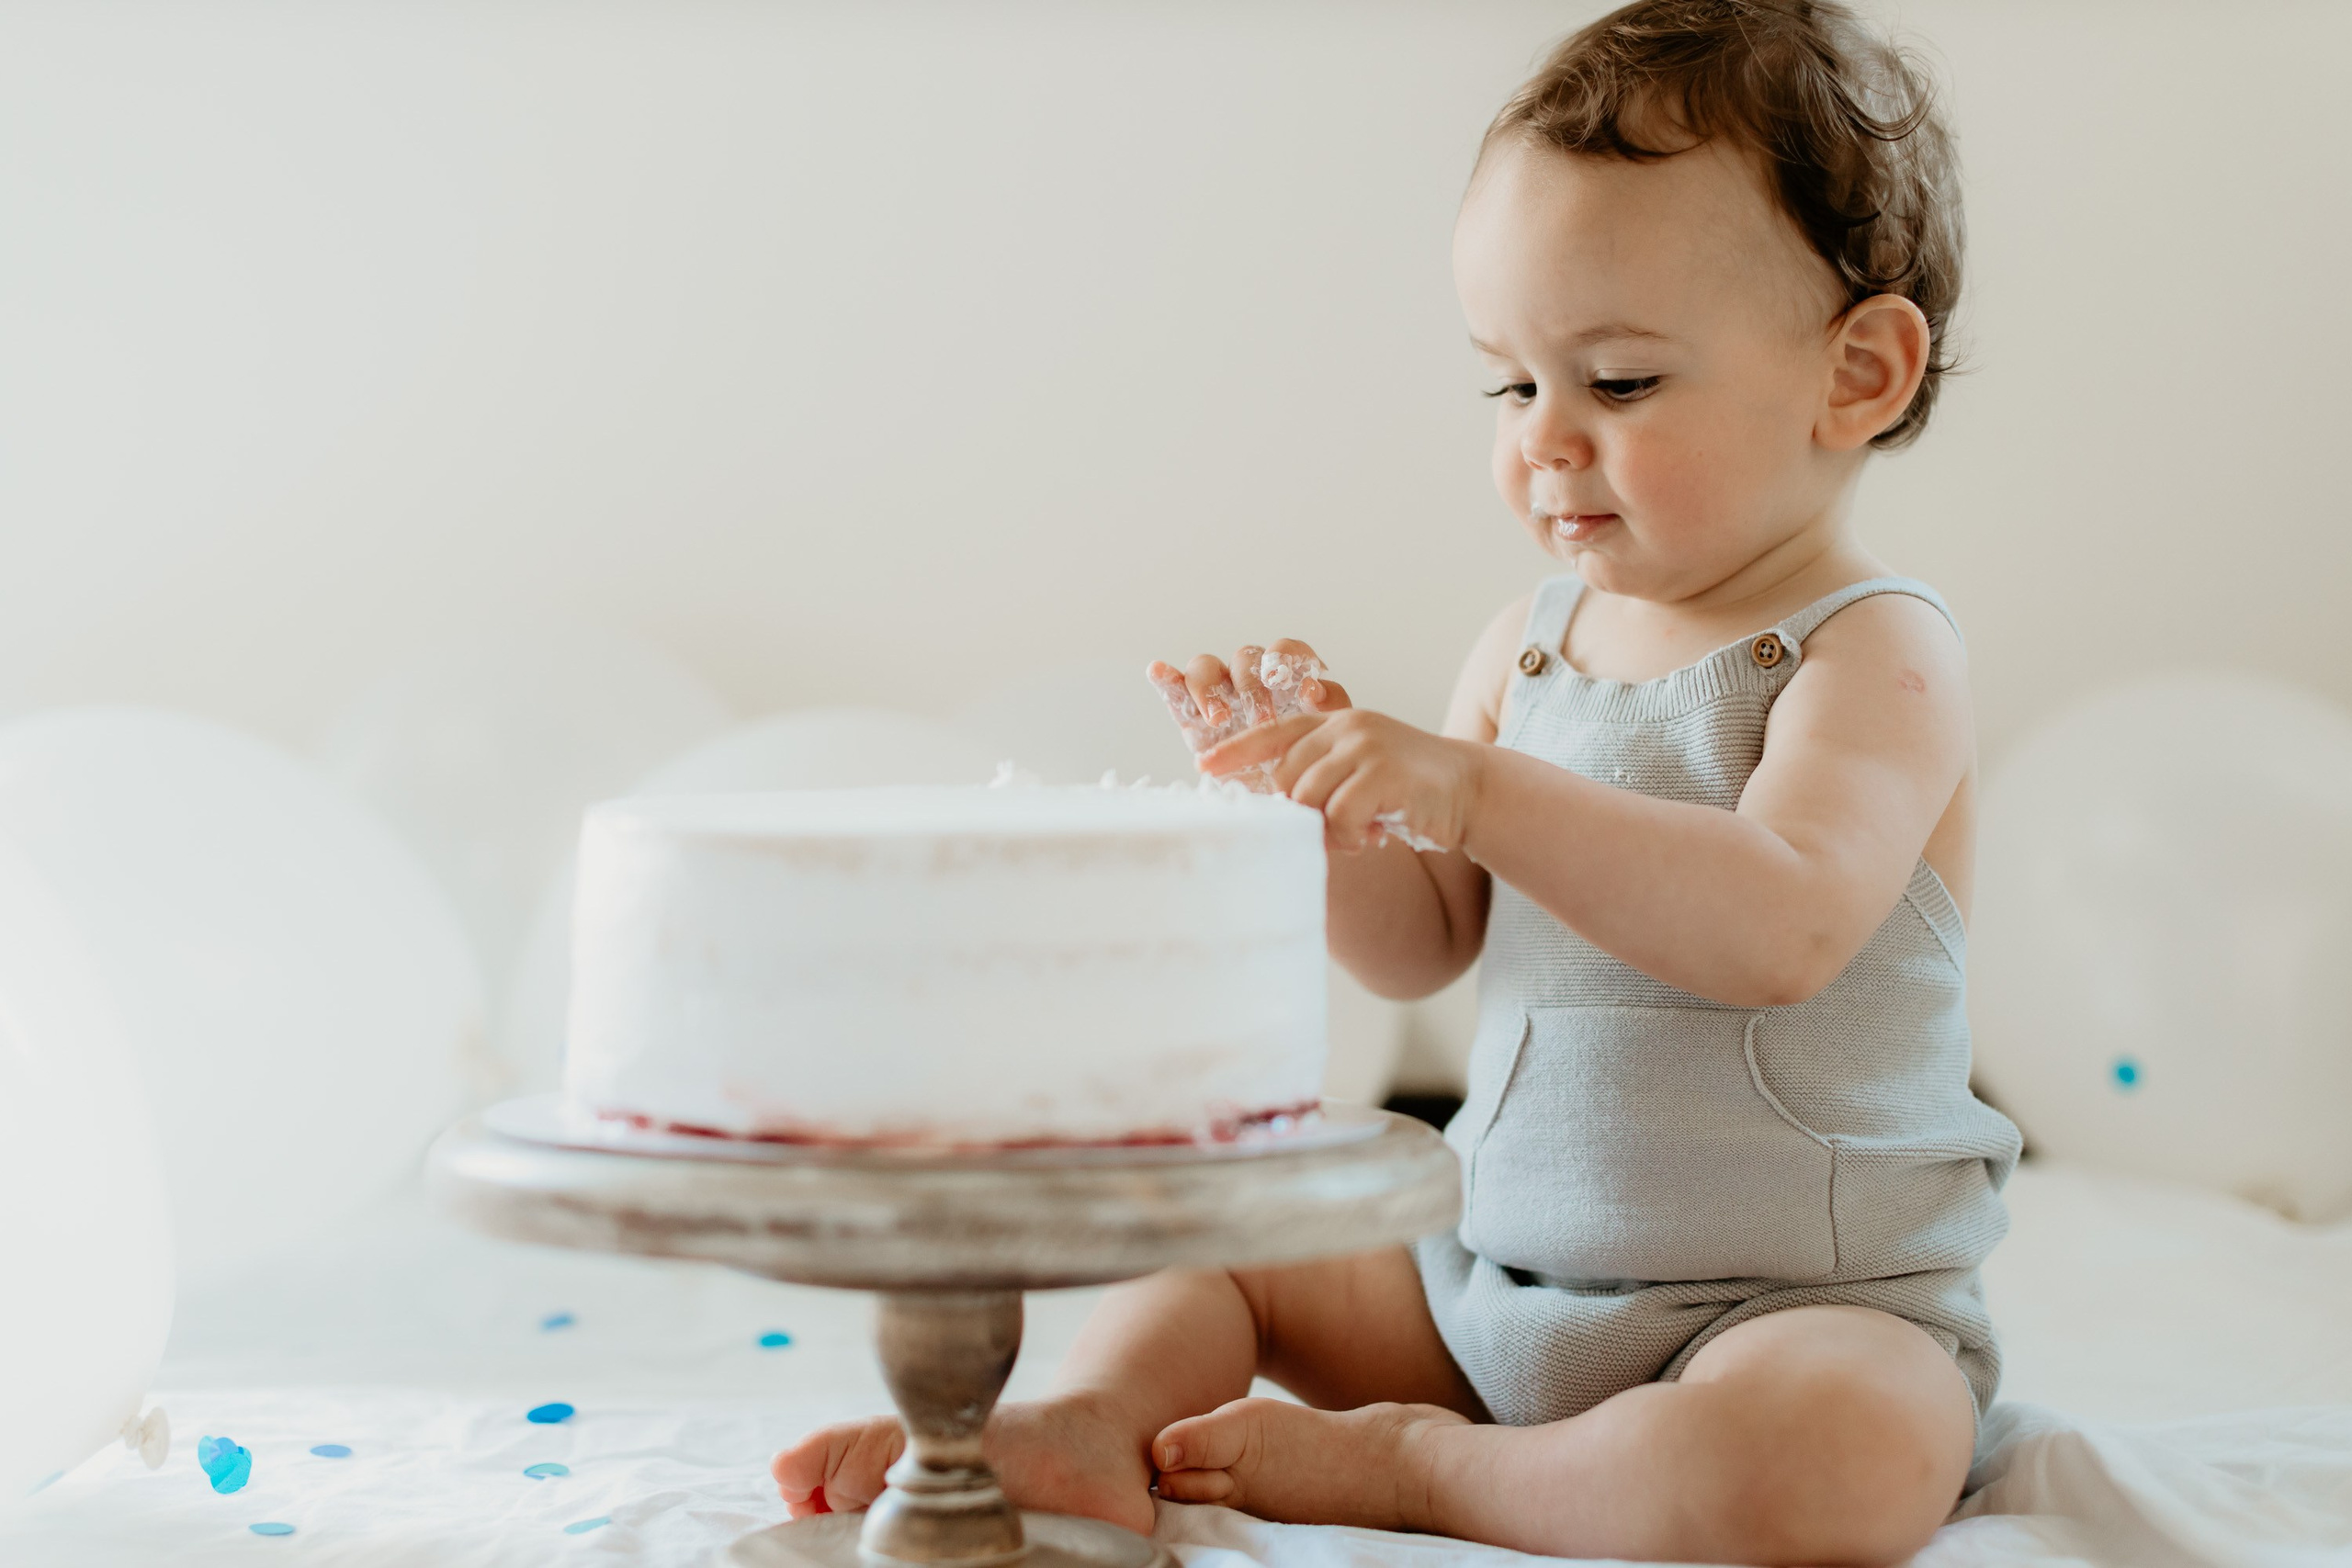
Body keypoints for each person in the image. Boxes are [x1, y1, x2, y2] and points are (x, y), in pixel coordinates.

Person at [775, 2, 2019, 1560]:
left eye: (1619, 385)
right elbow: (1426, 941)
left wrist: (1476, 791)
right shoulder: (1534, 644)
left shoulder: (1874, 657)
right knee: (1229, 1235)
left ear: (1858, 374)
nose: (1547, 442)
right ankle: (1086, 1424)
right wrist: (1326, 826)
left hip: (1789, 1319)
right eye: (1512, 386)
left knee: (1836, 1461)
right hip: (1488, 1293)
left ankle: (1429, 1475)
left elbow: (1784, 929)